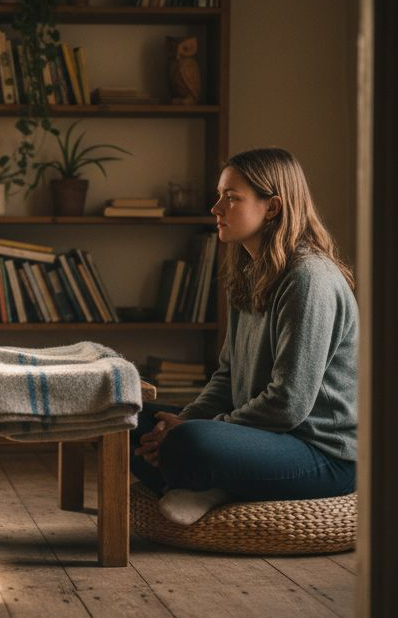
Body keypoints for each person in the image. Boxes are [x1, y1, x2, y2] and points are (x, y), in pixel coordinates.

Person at [131, 147, 358, 525]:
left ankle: (214, 481)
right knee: (127, 420)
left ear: (272, 207)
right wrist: (181, 419)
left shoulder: (309, 279)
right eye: (220, 195)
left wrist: (190, 431)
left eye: (231, 198)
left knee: (189, 443)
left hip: (321, 454)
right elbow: (226, 377)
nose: (215, 208)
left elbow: (288, 404)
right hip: (259, 438)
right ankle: (217, 481)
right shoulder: (252, 274)